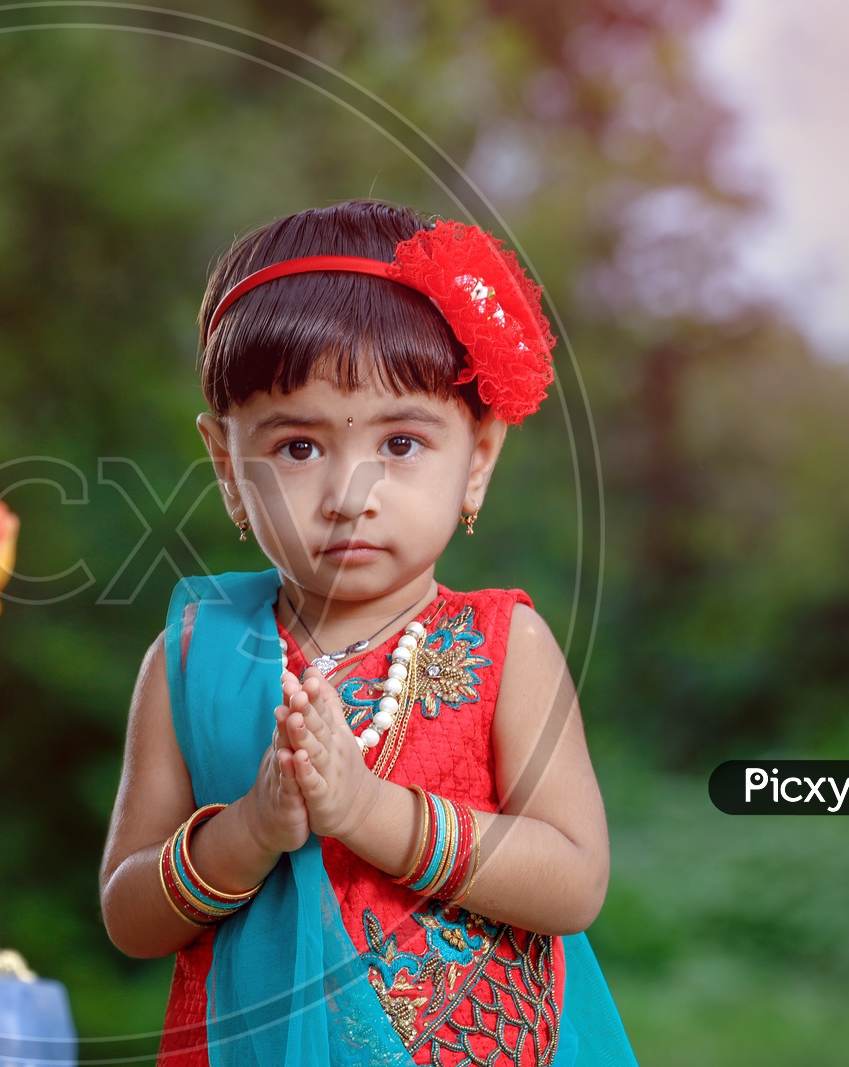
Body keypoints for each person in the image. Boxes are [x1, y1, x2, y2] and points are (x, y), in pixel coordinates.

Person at [99, 201, 635, 1065]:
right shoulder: (192, 658)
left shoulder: (505, 645)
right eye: (299, 448)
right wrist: (250, 831)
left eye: (402, 441)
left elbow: (575, 880)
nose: (352, 491)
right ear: (228, 470)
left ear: (479, 459)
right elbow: (130, 915)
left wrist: (368, 811)